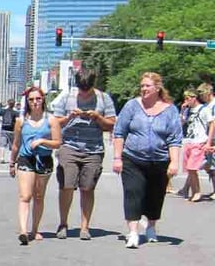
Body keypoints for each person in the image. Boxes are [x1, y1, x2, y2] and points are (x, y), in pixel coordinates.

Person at [112, 72, 183, 248]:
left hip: (159, 160)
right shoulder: (132, 106)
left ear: (157, 88)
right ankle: (133, 232)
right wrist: (117, 158)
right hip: (133, 159)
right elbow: (119, 132)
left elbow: (174, 139)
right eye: (142, 86)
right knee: (133, 193)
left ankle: (151, 227)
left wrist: (174, 162)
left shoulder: (170, 110)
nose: (143, 89)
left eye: (147, 86)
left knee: (155, 196)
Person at [51, 69, 116, 240]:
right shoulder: (67, 97)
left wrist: (97, 117)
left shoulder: (103, 98)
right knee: (66, 185)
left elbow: (111, 124)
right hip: (69, 147)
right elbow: (54, 122)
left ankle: (84, 227)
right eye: (81, 89)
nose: (83, 92)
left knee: (87, 188)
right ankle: (63, 223)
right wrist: (68, 117)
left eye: (87, 90)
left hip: (93, 149)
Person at [9, 86, 62, 244]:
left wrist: (43, 141)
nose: (35, 102)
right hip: (26, 159)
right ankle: (24, 230)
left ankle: (35, 229)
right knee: (25, 196)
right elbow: (16, 145)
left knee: (39, 196)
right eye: (31, 99)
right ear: (27, 102)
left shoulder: (51, 120)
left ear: (43, 99)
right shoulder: (21, 121)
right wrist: (12, 162)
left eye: (38, 99)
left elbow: (58, 142)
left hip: (44, 159)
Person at [180, 83, 213, 203]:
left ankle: (197, 192)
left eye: (188, 98)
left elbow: (212, 123)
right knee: (190, 169)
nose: (186, 100)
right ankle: (193, 191)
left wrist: (208, 142)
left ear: (194, 98)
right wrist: (183, 109)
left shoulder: (204, 109)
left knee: (192, 167)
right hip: (189, 141)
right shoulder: (188, 110)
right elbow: (181, 123)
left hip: (199, 142)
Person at [0, 99, 18, 164]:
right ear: (14, 104)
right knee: (11, 145)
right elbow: (17, 121)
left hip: (3, 129)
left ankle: (2, 158)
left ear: (8, 103)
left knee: (2, 145)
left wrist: (1, 122)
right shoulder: (15, 112)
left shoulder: (3, 111)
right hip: (12, 130)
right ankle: (11, 159)